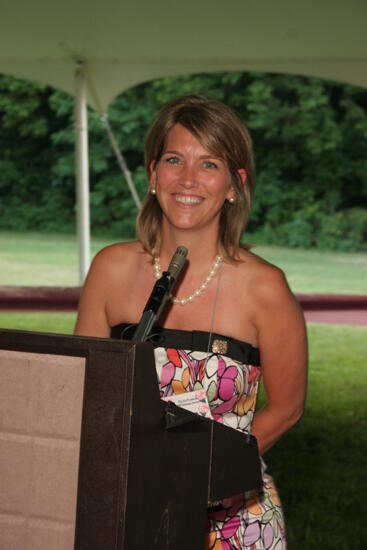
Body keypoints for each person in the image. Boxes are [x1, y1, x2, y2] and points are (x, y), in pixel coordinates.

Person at [75, 95, 307, 549]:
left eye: (209, 164)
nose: (187, 179)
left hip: (232, 521)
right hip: (125, 510)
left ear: (234, 184)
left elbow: (287, 407)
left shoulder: (265, 287)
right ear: (152, 174)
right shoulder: (110, 269)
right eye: (175, 159)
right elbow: (85, 394)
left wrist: (202, 473)